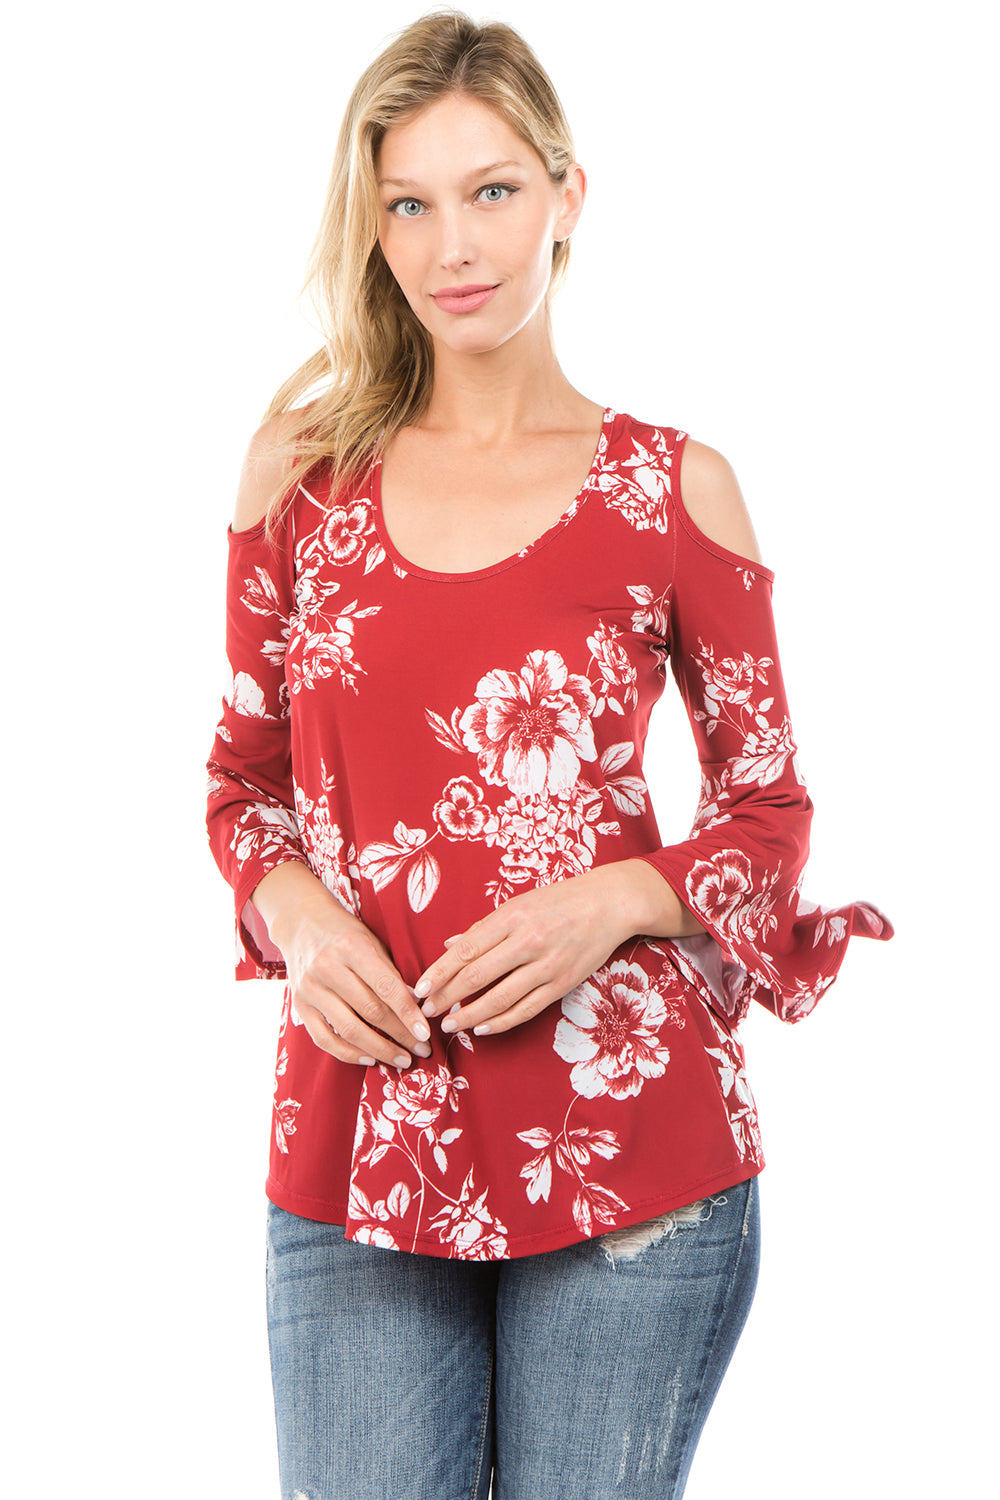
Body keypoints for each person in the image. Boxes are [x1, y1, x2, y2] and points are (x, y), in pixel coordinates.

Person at [206, 11, 893, 1498]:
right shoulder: (301, 480)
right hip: (361, 1130)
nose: (454, 245)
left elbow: (768, 811)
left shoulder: (671, 490)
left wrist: (612, 901)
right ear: (370, 224)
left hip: (630, 1142)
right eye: (409, 203)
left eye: (494, 191)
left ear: (570, 196)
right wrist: (303, 922)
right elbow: (243, 783)